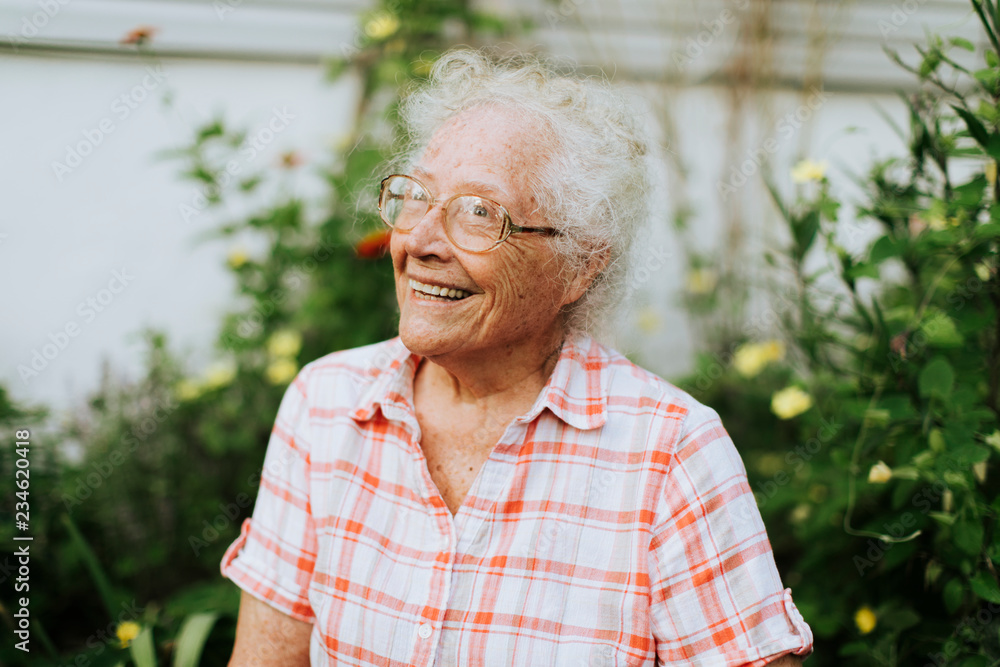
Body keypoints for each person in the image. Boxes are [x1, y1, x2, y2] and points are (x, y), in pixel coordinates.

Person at [221, 48, 814, 666]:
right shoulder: (327, 404)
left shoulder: (669, 456)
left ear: (581, 264)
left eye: (479, 212)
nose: (420, 240)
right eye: (416, 196)